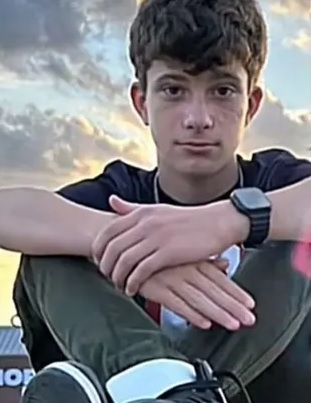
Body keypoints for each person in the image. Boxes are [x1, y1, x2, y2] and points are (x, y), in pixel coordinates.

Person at [1, 0, 311, 402]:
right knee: (48, 249)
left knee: (298, 241)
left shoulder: (276, 180)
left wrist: (229, 221)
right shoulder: (119, 193)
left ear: (250, 104)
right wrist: (125, 241)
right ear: (141, 102)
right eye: (173, 90)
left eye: (222, 91)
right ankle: (173, 389)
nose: (197, 118)